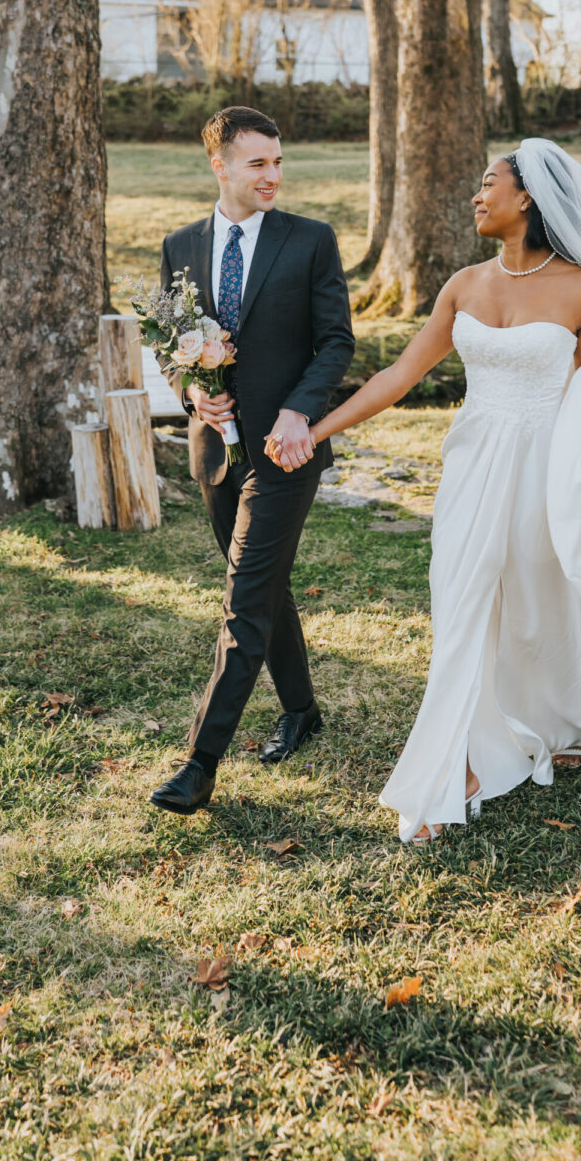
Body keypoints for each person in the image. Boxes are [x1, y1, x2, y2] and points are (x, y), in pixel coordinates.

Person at [301, 138, 581, 844]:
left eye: (488, 183)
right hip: (473, 461)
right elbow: (399, 376)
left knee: (538, 602)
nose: (476, 195)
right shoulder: (463, 285)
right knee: (461, 601)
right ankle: (455, 765)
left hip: (552, 468)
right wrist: (315, 431)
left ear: (528, 198)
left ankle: (559, 720)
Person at [149, 106, 355, 815]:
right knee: (262, 586)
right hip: (213, 453)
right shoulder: (180, 245)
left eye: (277, 162)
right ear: (220, 166)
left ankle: (200, 763)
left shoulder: (310, 242)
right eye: (256, 163)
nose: (272, 175)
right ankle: (301, 709)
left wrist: (301, 410)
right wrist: (189, 394)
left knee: (243, 600)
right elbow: (169, 342)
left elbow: (336, 343)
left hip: (285, 449)